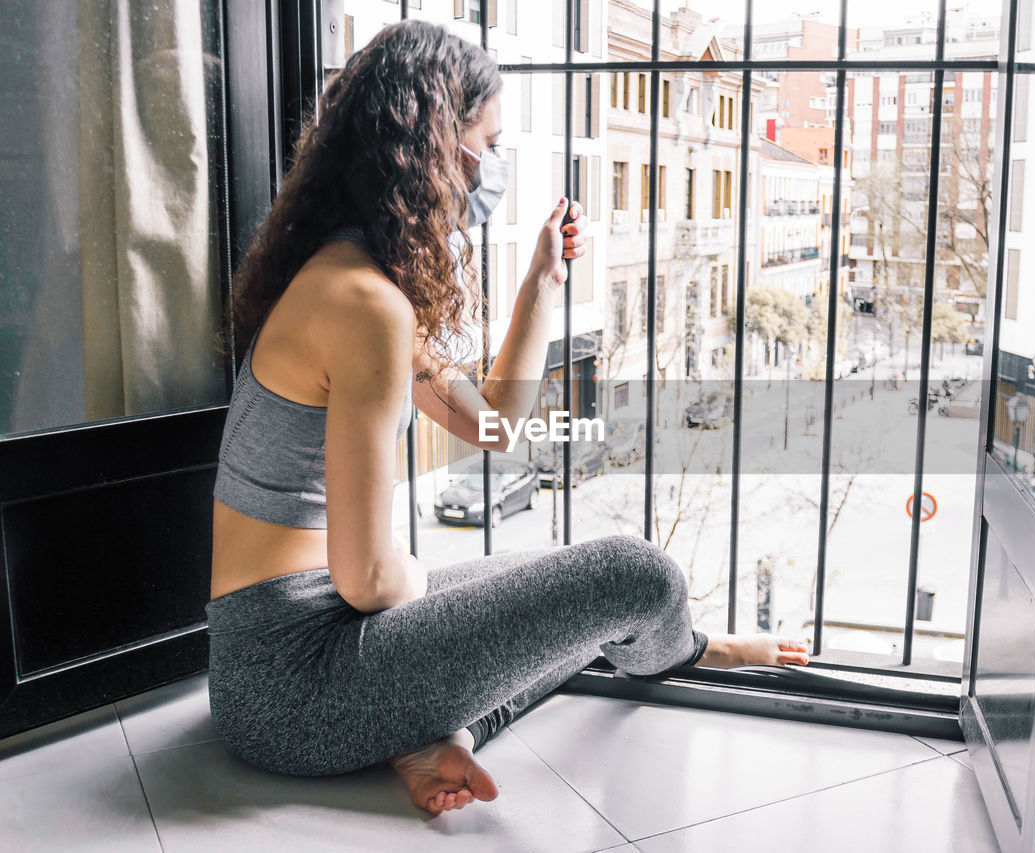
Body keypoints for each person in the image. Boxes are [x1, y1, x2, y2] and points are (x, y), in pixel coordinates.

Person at [206, 19, 810, 819]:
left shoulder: (339, 275)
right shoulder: (364, 307)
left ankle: (433, 731)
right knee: (637, 576)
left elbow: (493, 423)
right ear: (429, 143)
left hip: (272, 669)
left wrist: (543, 283)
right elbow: (370, 579)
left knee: (548, 593)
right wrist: (421, 590)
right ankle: (687, 650)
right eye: (485, 143)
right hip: (295, 689)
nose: (490, 168)